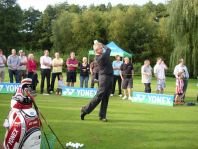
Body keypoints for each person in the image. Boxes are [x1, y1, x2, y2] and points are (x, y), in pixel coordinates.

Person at [81, 42, 113, 122]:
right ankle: (85, 109)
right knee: (99, 96)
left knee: (106, 98)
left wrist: (101, 45)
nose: (102, 49)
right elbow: (109, 49)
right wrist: (103, 45)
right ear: (96, 50)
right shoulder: (100, 57)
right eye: (100, 48)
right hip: (104, 77)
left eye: (101, 48)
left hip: (109, 77)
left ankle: (102, 116)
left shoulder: (102, 55)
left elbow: (108, 50)